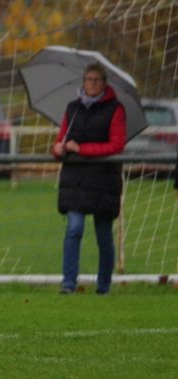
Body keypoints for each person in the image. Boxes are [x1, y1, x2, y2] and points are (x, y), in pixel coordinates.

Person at [52, 61, 127, 295]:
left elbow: (116, 145)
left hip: (104, 180)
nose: (92, 83)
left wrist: (82, 149)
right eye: (88, 79)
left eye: (96, 80)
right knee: (74, 228)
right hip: (75, 179)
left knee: (103, 235)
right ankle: (68, 282)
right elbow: (61, 139)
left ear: (104, 84)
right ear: (83, 82)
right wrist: (58, 149)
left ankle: (103, 285)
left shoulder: (116, 109)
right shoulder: (72, 108)